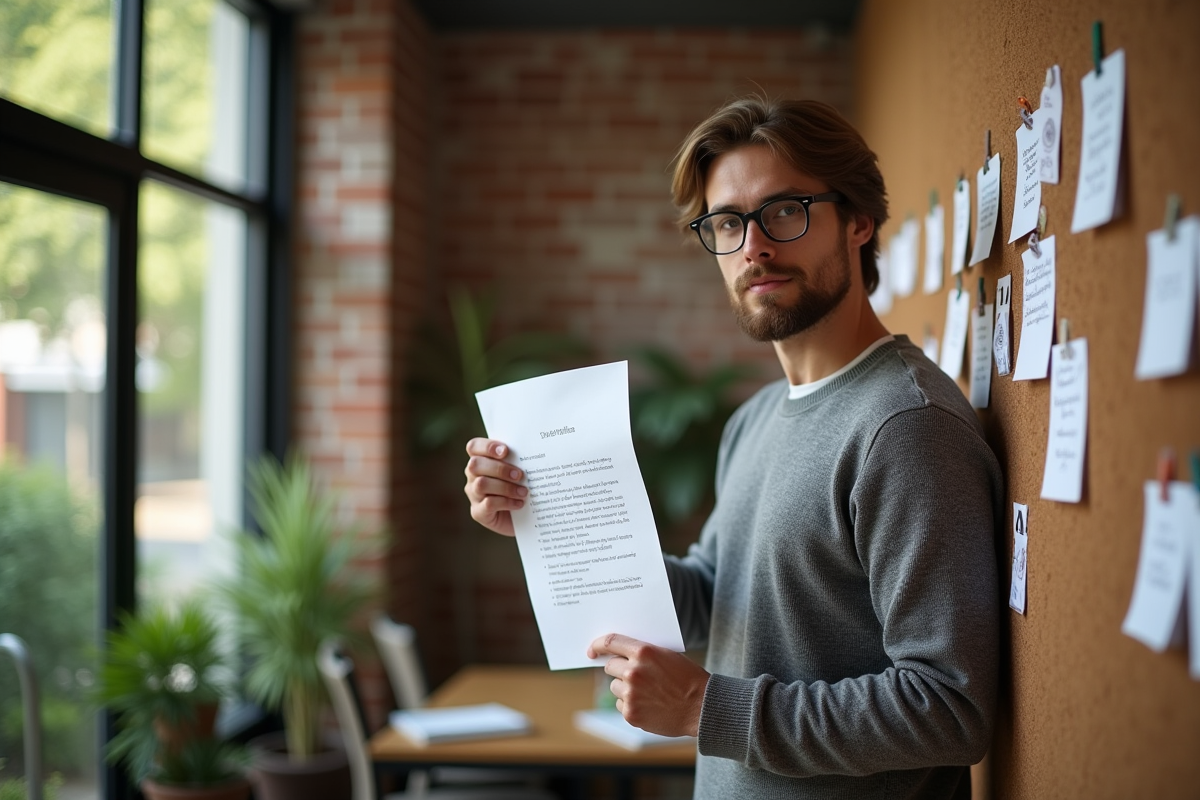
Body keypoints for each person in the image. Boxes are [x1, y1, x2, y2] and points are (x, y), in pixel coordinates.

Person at [463, 96, 1003, 799]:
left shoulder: (905, 427)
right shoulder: (755, 419)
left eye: (785, 211)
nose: (753, 246)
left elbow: (949, 709)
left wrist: (700, 707)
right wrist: (543, 518)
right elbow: (715, 599)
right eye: (727, 223)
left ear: (858, 222)